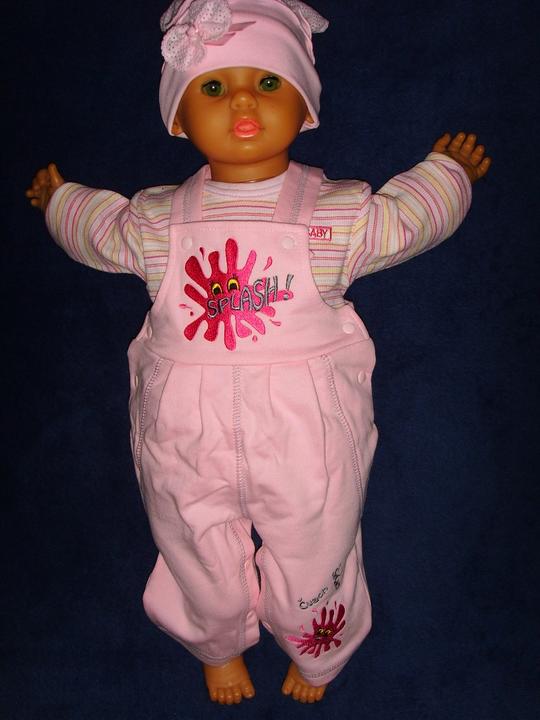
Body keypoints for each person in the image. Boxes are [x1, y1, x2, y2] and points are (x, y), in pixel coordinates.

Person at [26, 0, 491, 706]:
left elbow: (402, 221)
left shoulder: (334, 213)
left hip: (305, 434)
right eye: (214, 87)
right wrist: (59, 198)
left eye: (269, 82)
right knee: (192, 546)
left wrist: (447, 174)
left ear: (305, 107)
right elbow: (100, 227)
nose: (243, 101)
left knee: (317, 544)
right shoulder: (156, 219)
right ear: (178, 118)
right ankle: (215, 641)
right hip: (185, 434)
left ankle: (317, 646)